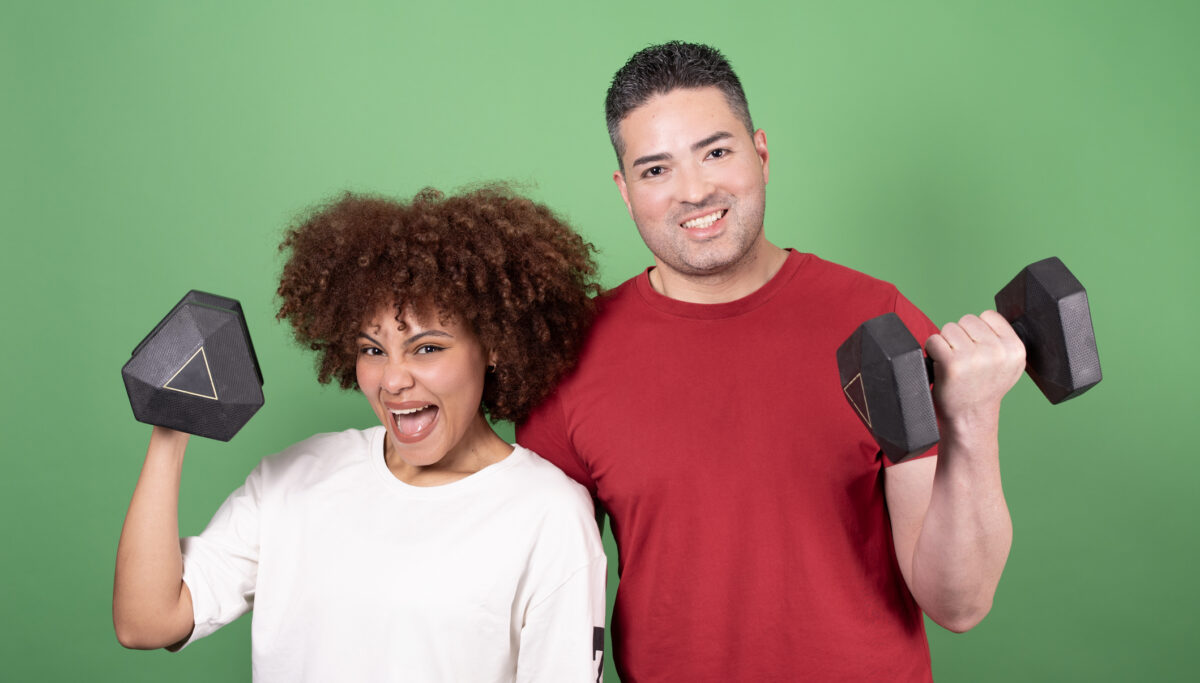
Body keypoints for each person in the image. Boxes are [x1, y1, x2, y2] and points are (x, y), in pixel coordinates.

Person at [517, 42, 1025, 681]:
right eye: (656, 170)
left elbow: (960, 603)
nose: (694, 191)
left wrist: (973, 422)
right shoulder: (572, 354)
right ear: (625, 191)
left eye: (716, 152)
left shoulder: (876, 320)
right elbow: (537, 596)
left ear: (760, 152)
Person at [114, 186, 609, 682]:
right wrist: (172, 428)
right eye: (373, 350)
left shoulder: (549, 513)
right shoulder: (294, 478)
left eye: (427, 348)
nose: (393, 380)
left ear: (494, 346)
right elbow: (146, 622)